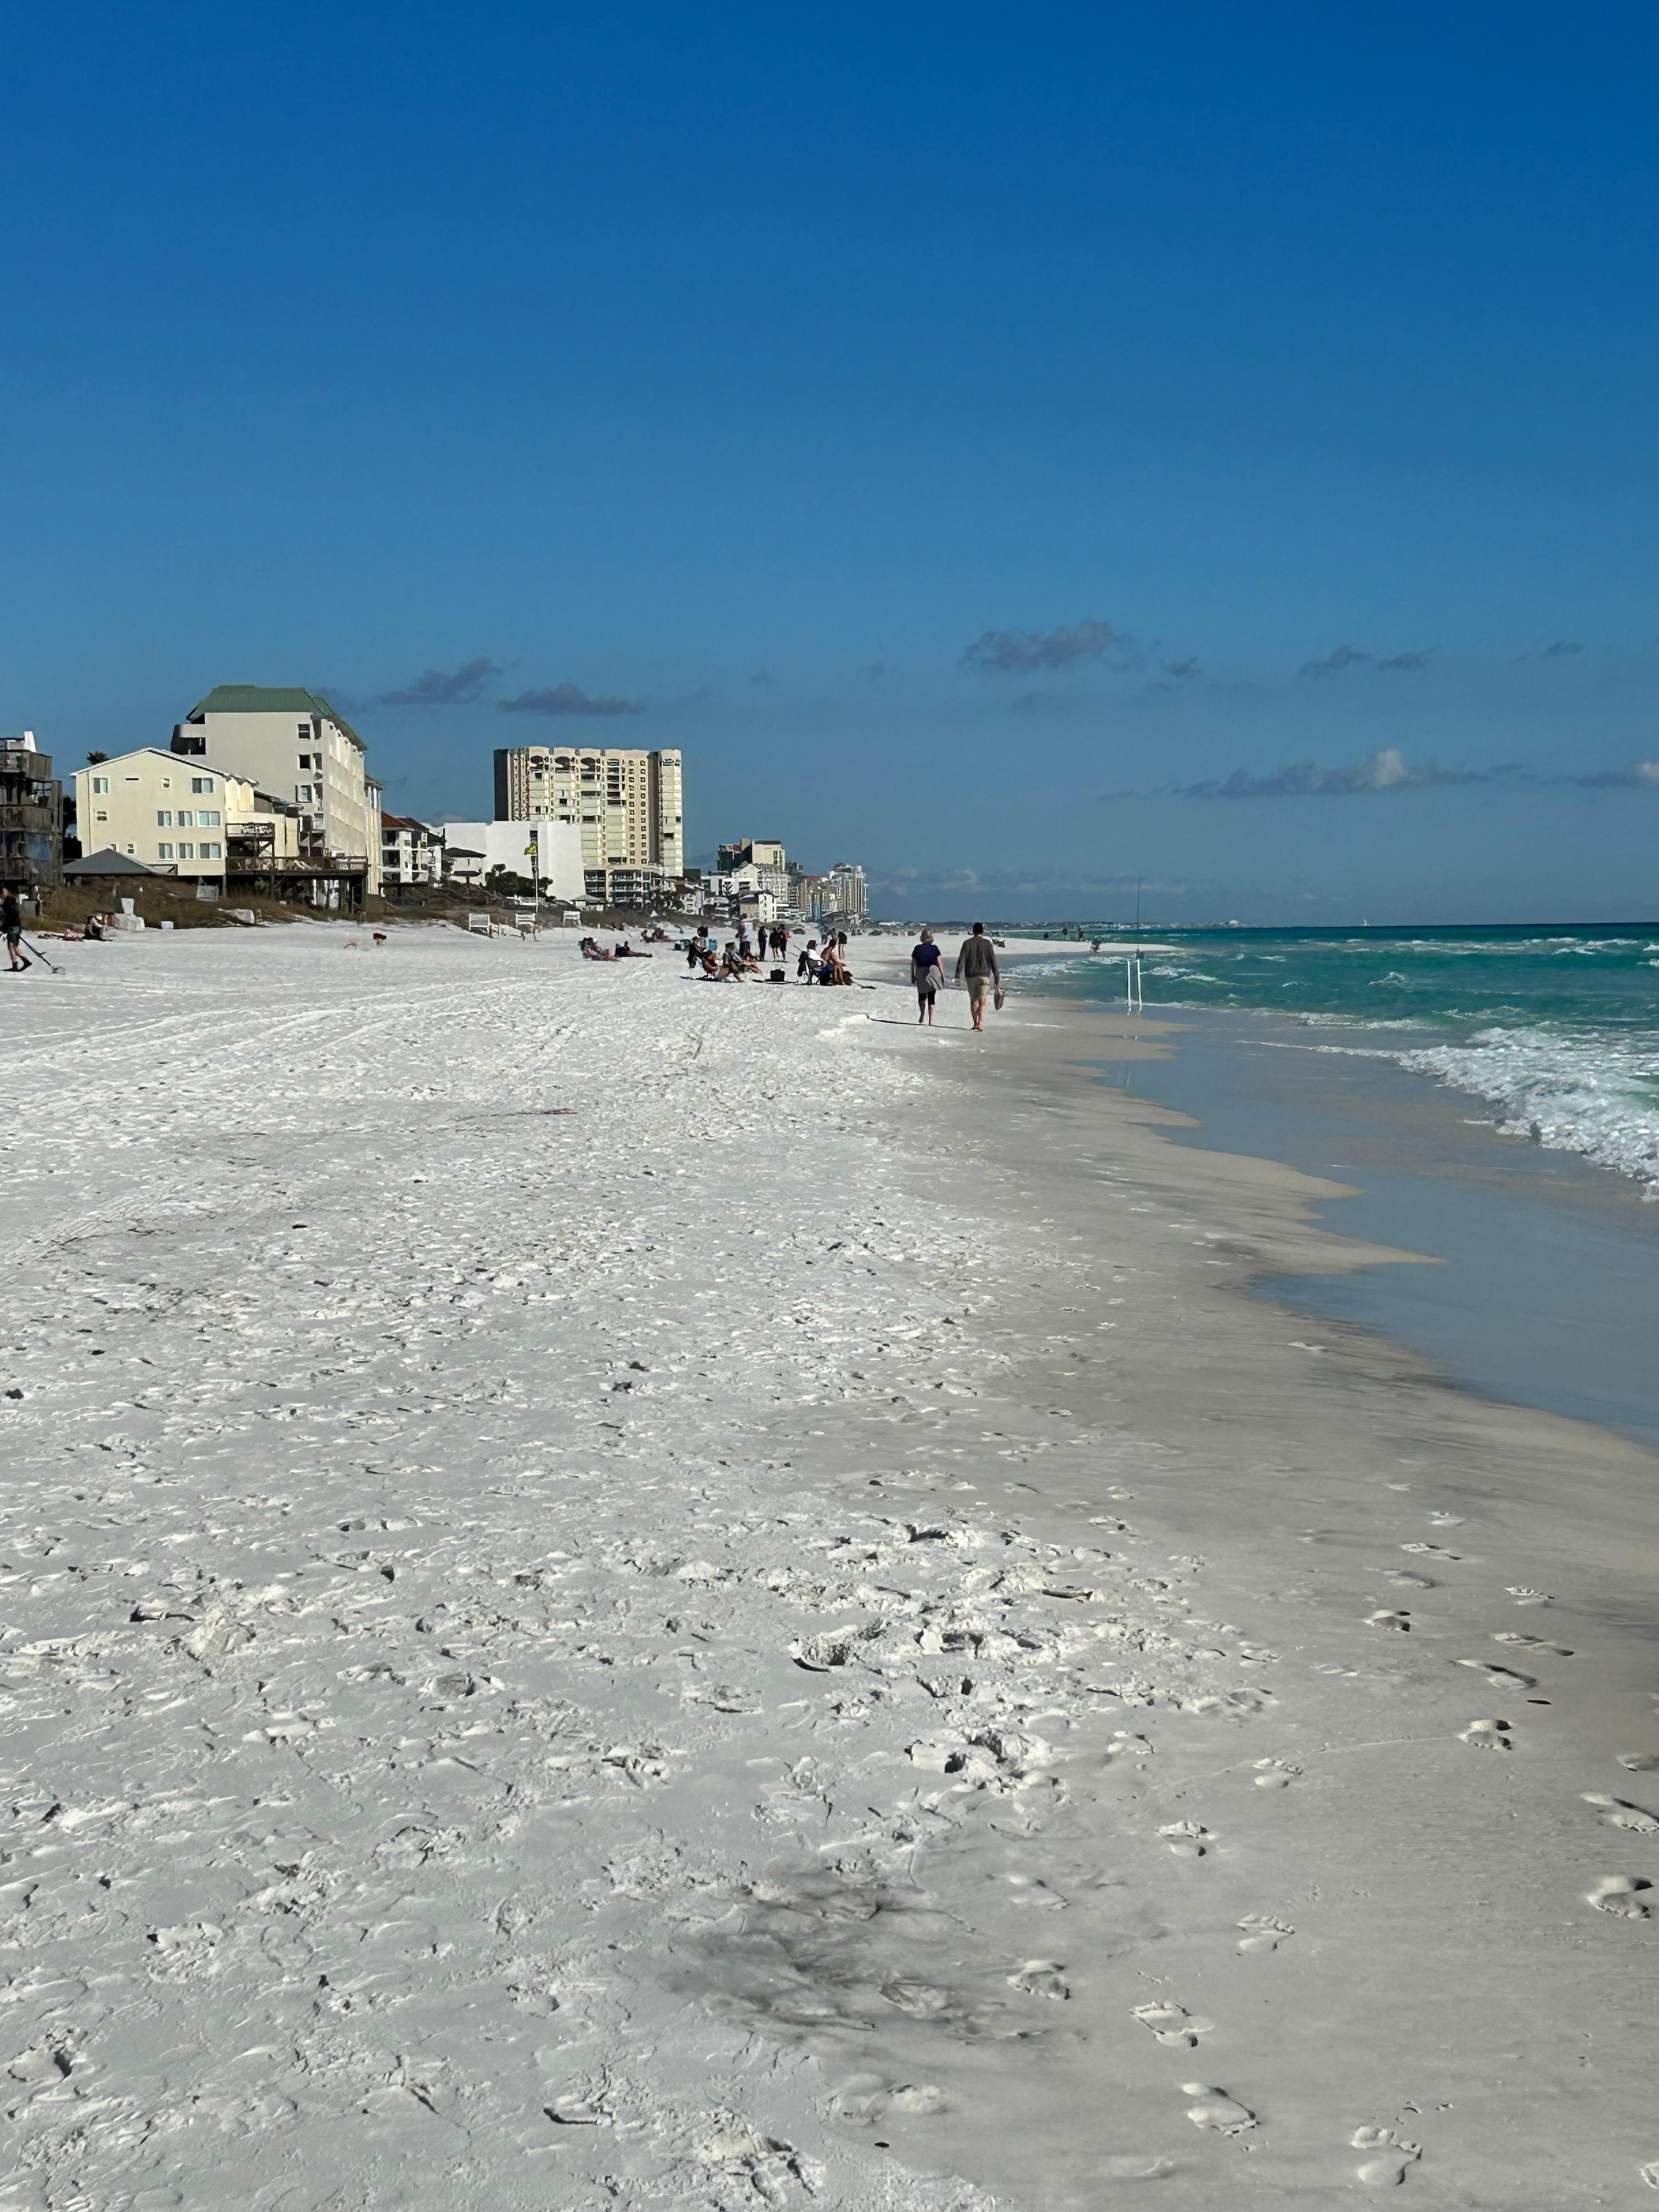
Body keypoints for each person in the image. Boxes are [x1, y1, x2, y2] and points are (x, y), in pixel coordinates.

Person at [954, 921, 1000, 1032]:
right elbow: (993, 962)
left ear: (973, 931)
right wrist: (997, 977)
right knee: (983, 1000)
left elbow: (961, 961)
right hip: (984, 975)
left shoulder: (967, 944)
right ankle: (981, 1023)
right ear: (982, 931)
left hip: (971, 976)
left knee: (973, 1000)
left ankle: (975, 1023)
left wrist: (958, 976)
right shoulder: (988, 944)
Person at [911, 926, 943, 1025]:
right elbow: (940, 963)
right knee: (932, 996)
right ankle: (931, 1020)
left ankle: (922, 1015)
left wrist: (913, 975)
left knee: (922, 996)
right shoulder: (935, 949)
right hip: (932, 972)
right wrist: (942, 976)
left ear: (922, 938)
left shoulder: (917, 949)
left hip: (920, 973)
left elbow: (913, 963)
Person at [3, 889, 27, 972]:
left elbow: (13, 917)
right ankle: (23, 962)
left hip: (14, 928)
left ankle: (17, 964)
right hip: (13, 927)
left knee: (12, 946)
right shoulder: (8, 903)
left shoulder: (11, 903)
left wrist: (5, 927)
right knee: (13, 947)